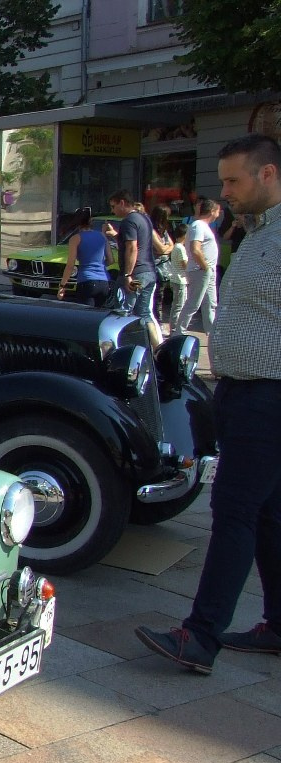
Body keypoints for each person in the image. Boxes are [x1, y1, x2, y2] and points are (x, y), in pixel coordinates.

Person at [135, 133, 281, 673]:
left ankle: (199, 638)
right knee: (268, 514)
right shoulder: (256, 232)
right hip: (246, 391)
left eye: (233, 180)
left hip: (268, 396)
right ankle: (278, 625)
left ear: (268, 174)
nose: (224, 191)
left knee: (235, 512)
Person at [109, 190, 162, 346]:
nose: (113, 211)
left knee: (123, 312)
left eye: (113, 206)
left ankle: (124, 349)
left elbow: (132, 248)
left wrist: (127, 274)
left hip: (135, 273)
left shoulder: (128, 221)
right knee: (143, 313)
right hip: (149, 271)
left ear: (122, 203)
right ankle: (157, 349)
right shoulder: (144, 219)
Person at [177, 197, 221, 333]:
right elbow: (195, 248)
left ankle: (212, 334)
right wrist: (205, 267)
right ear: (212, 211)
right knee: (193, 304)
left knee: (211, 304)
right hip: (200, 270)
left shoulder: (202, 226)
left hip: (206, 270)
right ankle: (179, 332)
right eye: (218, 211)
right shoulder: (198, 225)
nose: (219, 214)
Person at [54, 207, 112, 306]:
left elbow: (70, 265)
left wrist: (62, 285)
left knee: (86, 316)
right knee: (99, 317)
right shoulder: (102, 236)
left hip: (86, 281)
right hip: (104, 282)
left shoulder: (75, 239)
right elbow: (111, 260)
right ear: (90, 221)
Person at [148, 205, 182, 332]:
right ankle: (158, 322)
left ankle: (158, 321)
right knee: (156, 296)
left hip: (163, 267)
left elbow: (172, 245)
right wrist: (165, 249)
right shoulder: (151, 231)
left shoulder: (164, 231)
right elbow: (161, 249)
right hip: (154, 267)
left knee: (161, 296)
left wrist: (165, 249)